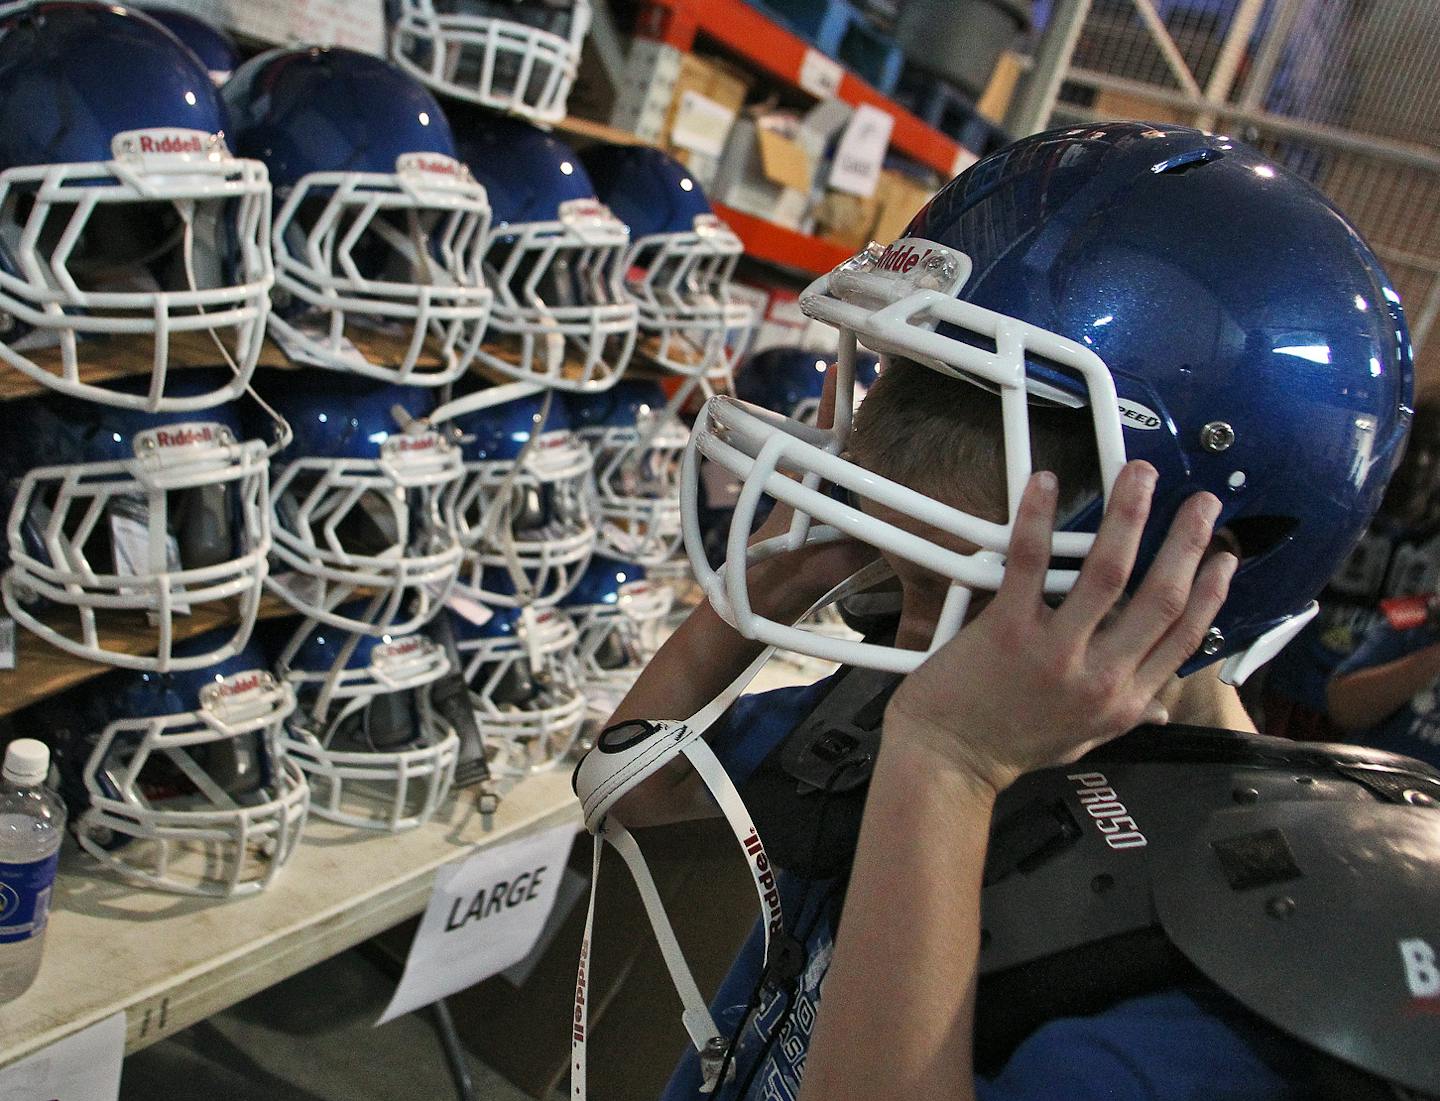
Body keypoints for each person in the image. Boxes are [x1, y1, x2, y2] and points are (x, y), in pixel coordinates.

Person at [582, 123, 1433, 1101]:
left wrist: (947, 768)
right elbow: (638, 792)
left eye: (960, 587)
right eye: (899, 574)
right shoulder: (930, 692)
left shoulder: (1223, 1003)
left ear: (1204, 563)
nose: (911, 635)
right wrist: (784, 574)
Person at [1263, 402, 1440, 741]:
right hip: (1293, 692)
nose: (1420, 462)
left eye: (1435, 451)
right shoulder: (1339, 514)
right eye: (1412, 446)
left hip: (1381, 717)